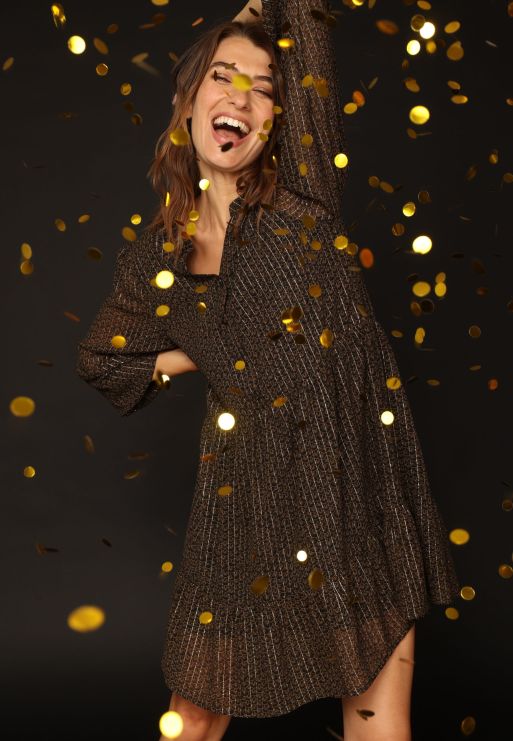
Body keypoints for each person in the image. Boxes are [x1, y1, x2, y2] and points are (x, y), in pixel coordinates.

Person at [75, 2, 461, 740]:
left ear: (280, 119)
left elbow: (303, 15)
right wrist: (211, 352)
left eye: (263, 88)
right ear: (188, 99)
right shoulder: (157, 259)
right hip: (240, 512)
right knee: (192, 717)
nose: (242, 97)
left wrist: (253, 13)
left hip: (350, 497)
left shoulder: (304, 194)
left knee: (379, 725)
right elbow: (102, 360)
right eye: (222, 77)